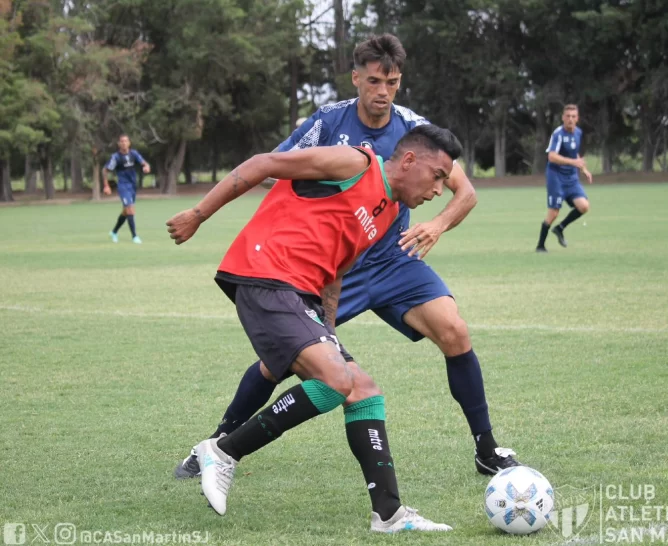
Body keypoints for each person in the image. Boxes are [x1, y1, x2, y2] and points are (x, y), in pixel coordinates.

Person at [175, 33, 520, 481]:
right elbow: (275, 166)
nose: (383, 92)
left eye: (392, 83)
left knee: (454, 331)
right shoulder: (328, 122)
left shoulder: (414, 129)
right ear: (356, 77)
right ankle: (214, 444)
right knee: (277, 362)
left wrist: (435, 225)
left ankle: (486, 449)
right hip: (339, 265)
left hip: (396, 260)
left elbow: (465, 191)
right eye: (375, 81)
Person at [166, 124, 462, 532]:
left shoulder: (389, 212)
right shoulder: (354, 163)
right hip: (265, 274)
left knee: (363, 390)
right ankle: (224, 451)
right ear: (409, 160)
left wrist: (328, 328)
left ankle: (389, 515)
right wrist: (198, 215)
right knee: (336, 379)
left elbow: (337, 269)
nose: (439, 190)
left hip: (300, 295)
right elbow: (262, 164)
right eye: (438, 176)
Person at [536, 104, 593, 252]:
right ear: (563, 118)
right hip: (556, 176)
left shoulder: (578, 133)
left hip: (571, 178)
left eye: (573, 116)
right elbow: (552, 156)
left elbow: (575, 155)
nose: (570, 119)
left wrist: (583, 169)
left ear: (577, 118)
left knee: (584, 206)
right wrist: (574, 163)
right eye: (568, 116)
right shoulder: (558, 134)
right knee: (554, 212)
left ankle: (560, 228)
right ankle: (540, 246)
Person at [103, 134, 150, 244]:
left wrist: (146, 167)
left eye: (126, 141)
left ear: (129, 143)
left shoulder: (134, 154)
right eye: (122, 141)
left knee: (126, 212)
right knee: (130, 209)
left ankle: (114, 232)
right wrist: (106, 185)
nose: (124, 143)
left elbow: (144, 163)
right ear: (119, 144)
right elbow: (105, 170)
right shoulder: (116, 157)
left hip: (133, 186)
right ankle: (134, 236)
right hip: (123, 186)